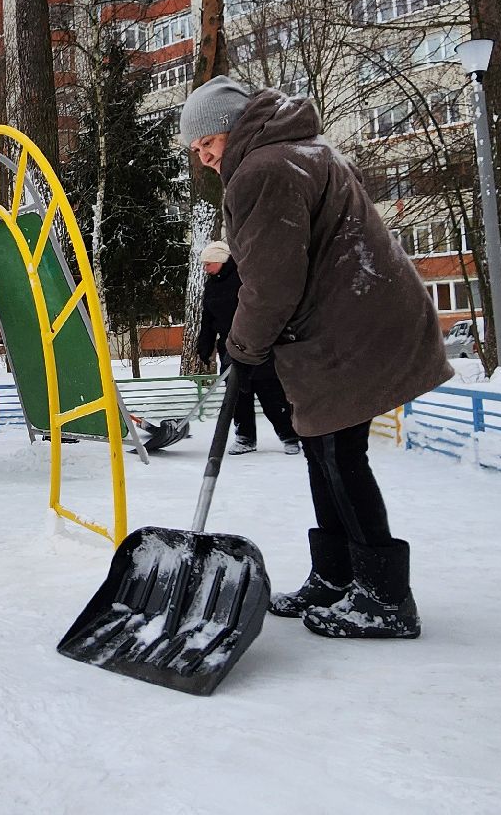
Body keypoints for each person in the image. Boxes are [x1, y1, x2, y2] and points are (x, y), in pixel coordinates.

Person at [178, 75, 453, 639]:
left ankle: (383, 597)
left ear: (234, 126)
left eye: (209, 144)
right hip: (355, 318)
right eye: (198, 152)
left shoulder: (264, 169)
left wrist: (243, 347)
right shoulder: (301, 151)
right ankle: (336, 576)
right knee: (325, 450)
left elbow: (271, 283)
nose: (206, 159)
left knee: (337, 455)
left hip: (347, 328)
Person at [194, 239, 300, 456]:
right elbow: (208, 318)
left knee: (270, 393)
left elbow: (264, 310)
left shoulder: (245, 279)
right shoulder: (211, 285)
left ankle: (289, 435)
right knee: (237, 396)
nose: (205, 268)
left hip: (256, 346)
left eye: (208, 264)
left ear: (220, 261)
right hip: (229, 348)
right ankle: (245, 437)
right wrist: (204, 346)